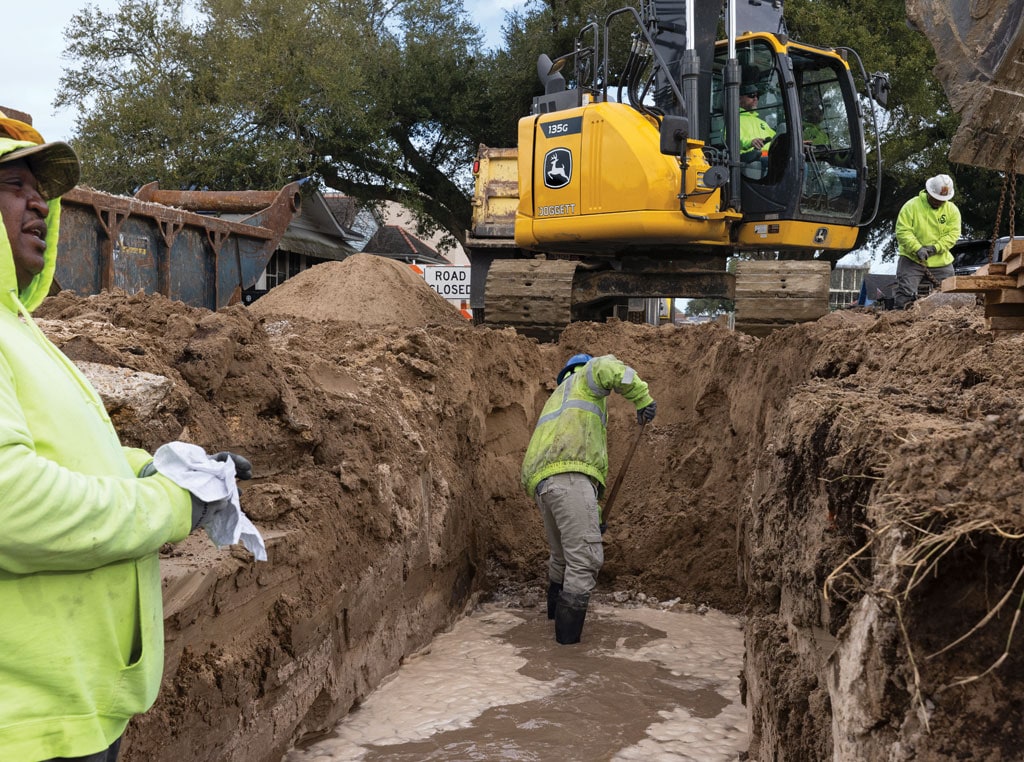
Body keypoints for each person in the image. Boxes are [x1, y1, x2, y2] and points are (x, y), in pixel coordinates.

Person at [0, 113, 255, 762]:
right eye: (10, 182)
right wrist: (173, 505)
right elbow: (14, 505)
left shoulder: (16, 327)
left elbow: (49, 449)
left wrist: (155, 468)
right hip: (25, 729)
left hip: (65, 713)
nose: (38, 202)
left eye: (39, 187)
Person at [521, 353, 656, 645]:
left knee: (562, 557)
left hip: (543, 483)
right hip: (569, 475)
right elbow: (610, 367)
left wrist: (592, 517)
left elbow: (568, 483)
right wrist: (642, 398)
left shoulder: (558, 397)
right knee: (585, 560)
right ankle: (567, 653)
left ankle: (553, 628)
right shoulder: (585, 375)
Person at [894, 174, 961, 309]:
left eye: (942, 200)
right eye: (936, 198)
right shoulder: (911, 206)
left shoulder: (952, 210)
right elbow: (902, 231)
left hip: (941, 260)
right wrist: (917, 248)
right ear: (929, 192)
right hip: (912, 259)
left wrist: (935, 248)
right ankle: (900, 320)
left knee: (950, 294)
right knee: (905, 294)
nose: (938, 202)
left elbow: (953, 234)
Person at [738, 83, 776, 163]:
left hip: (768, 157)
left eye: (757, 96)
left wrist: (796, 142)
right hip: (747, 159)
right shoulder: (734, 120)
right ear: (739, 99)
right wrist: (750, 142)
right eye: (751, 95)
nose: (755, 99)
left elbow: (776, 138)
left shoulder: (762, 123)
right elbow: (730, 139)